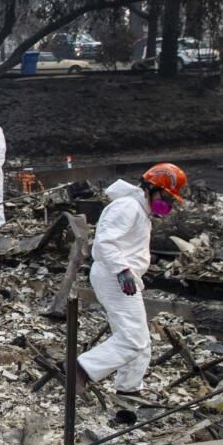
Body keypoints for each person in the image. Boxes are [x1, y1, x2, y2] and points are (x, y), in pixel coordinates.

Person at [75, 163, 188, 396]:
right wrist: (122, 270)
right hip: (114, 276)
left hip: (122, 276)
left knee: (141, 341)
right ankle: (79, 370)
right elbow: (105, 241)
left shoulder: (140, 209)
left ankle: (129, 389)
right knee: (132, 340)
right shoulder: (128, 207)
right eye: (166, 197)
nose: (167, 204)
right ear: (150, 187)